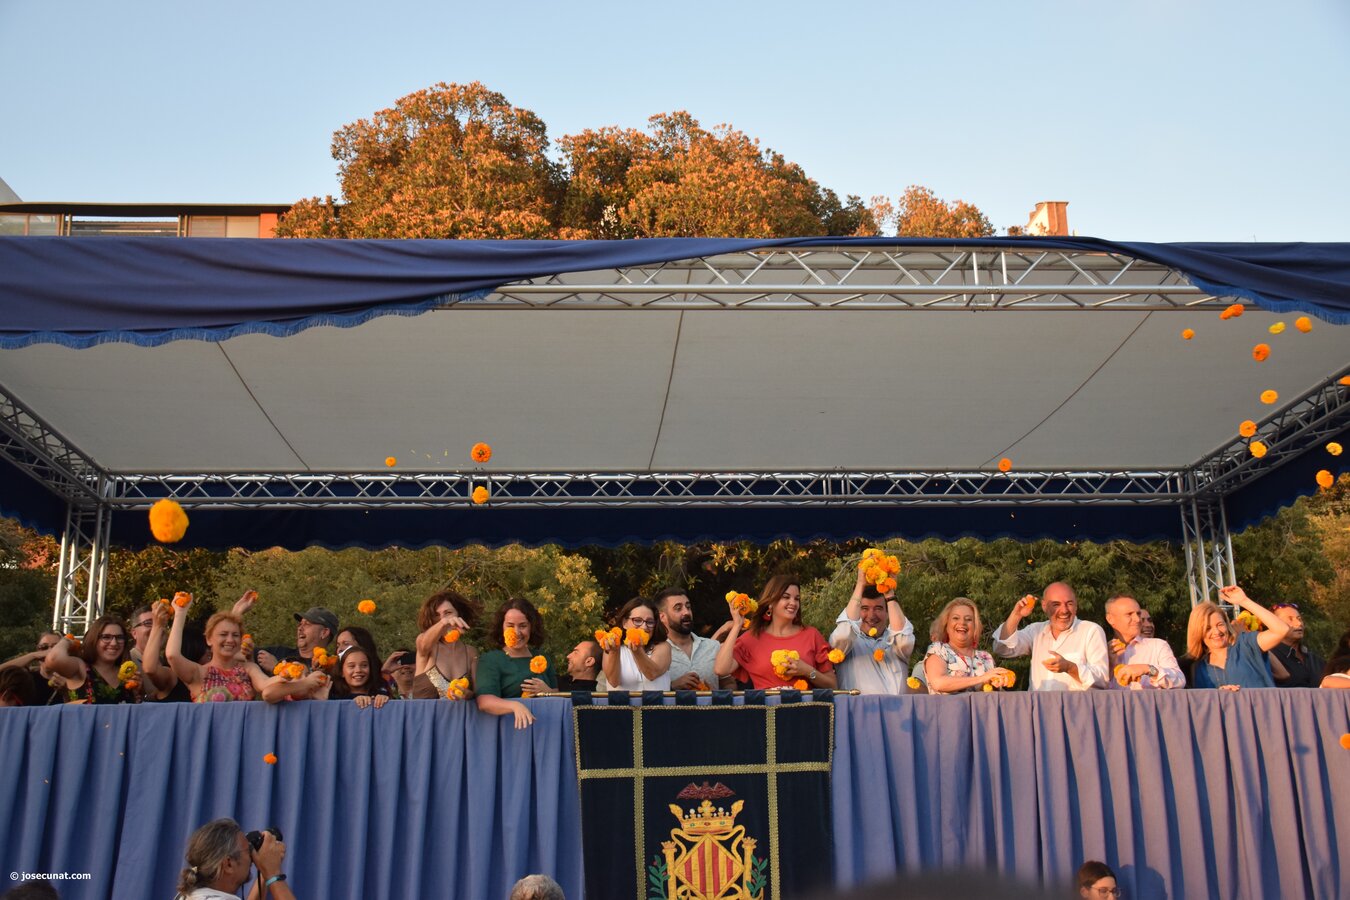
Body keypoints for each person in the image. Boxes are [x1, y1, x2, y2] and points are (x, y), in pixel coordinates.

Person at [714, 575, 836, 690]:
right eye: (786, 597)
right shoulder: (751, 638)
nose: (793, 603)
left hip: (804, 710)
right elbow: (721, 669)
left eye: (797, 599)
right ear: (771, 603)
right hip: (766, 711)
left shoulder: (811, 635)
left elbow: (833, 685)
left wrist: (807, 671)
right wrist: (737, 625)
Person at [992, 582, 1108, 691]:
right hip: (1038, 708)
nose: (1064, 610)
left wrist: (1070, 667)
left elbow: (1102, 679)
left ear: (1076, 605)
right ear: (1044, 606)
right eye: (1056, 604)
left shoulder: (1090, 630)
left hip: (1075, 710)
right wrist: (1016, 615)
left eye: (1069, 603)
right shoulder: (1036, 630)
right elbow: (1002, 649)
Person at [167, 596, 274, 702]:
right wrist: (180, 612)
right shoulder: (199, 672)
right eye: (223, 634)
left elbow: (265, 684)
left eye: (235, 635)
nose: (230, 640)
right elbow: (172, 655)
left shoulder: (249, 669)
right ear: (209, 639)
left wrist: (286, 673)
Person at [830, 568, 916, 694]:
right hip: (857, 712)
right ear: (857, 611)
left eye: (878, 608)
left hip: (898, 713)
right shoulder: (847, 644)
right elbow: (843, 635)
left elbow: (905, 642)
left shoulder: (895, 642)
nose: (871, 615)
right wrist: (860, 584)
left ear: (888, 613)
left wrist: (889, 593)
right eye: (864, 608)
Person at [1186, 585, 1289, 690]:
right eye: (1208, 628)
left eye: (1220, 625)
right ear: (1197, 632)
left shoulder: (1245, 644)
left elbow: (1281, 630)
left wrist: (1244, 601)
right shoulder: (1198, 668)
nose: (1216, 632)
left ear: (1227, 624)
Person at [475, 597, 556, 729]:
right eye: (510, 625)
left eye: (523, 626)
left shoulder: (543, 658)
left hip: (546, 727)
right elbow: (485, 702)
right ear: (501, 627)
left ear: (531, 627)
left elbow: (557, 693)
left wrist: (548, 692)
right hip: (511, 729)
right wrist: (515, 706)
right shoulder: (491, 659)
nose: (517, 632)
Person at [174, 817, 293, 900]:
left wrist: (265, 871)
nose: (252, 856)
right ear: (228, 864)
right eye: (248, 850)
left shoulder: (188, 895)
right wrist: (273, 873)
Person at [43, 616, 141, 704]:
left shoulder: (128, 673)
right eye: (106, 637)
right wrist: (67, 640)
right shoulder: (80, 667)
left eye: (119, 638)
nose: (114, 643)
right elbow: (53, 659)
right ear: (93, 639)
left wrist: (138, 692)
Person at [922, 598, 1011, 694]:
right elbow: (938, 683)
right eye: (956, 618)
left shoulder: (986, 658)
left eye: (968, 619)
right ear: (946, 625)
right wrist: (982, 678)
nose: (962, 623)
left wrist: (997, 682)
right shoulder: (938, 649)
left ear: (975, 627)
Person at [1103, 594, 1185, 690]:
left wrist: (1148, 669)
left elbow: (1180, 680)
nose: (1138, 619)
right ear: (1110, 619)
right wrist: (1109, 666)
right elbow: (1092, 693)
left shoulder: (1158, 646)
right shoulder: (1101, 651)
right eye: (1129, 614)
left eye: (1138, 614)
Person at [412, 590, 479, 700]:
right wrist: (444, 622)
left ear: (459, 614)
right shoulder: (426, 644)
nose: (443, 618)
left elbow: (478, 695)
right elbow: (423, 644)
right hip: (424, 716)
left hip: (458, 716)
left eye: (448, 613)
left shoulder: (471, 652)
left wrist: (467, 694)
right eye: (437, 615)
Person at [657, 588, 725, 691]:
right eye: (678, 608)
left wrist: (717, 696)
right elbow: (648, 692)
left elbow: (729, 684)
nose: (686, 612)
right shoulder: (655, 651)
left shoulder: (713, 646)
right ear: (662, 617)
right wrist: (672, 686)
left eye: (688, 607)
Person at [600, 597, 672, 691]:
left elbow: (652, 674)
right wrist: (614, 652)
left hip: (657, 705)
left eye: (650, 622)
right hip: (622, 705)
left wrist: (637, 650)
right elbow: (613, 682)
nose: (644, 627)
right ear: (625, 623)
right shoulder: (612, 648)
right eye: (637, 620)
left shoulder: (663, 646)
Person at [256, 607, 338, 675]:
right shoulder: (278, 653)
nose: (300, 628)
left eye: (307, 624)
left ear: (324, 632)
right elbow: (244, 659)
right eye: (300, 624)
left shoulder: (332, 668)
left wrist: (276, 668)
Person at [1268, 603, 1325, 688]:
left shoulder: (1315, 660)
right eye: (1290, 619)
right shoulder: (1268, 657)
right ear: (1274, 624)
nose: (1299, 623)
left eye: (1299, 619)